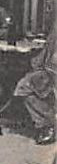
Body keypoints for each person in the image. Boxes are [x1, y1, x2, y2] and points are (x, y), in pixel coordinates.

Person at [12, 13, 57, 145]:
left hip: (52, 71)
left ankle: (48, 124)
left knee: (24, 86)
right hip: (48, 67)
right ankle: (45, 122)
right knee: (24, 82)